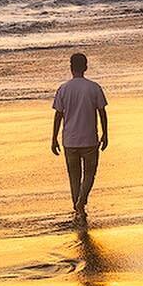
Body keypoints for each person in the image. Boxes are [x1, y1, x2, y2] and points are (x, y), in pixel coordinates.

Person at [51, 51, 108, 225]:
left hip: (70, 140)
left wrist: (53, 138)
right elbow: (102, 112)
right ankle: (81, 203)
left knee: (73, 176)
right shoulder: (94, 87)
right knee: (89, 173)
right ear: (85, 67)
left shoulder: (63, 89)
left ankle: (78, 208)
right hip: (90, 139)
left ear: (71, 68)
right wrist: (106, 134)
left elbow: (58, 115)